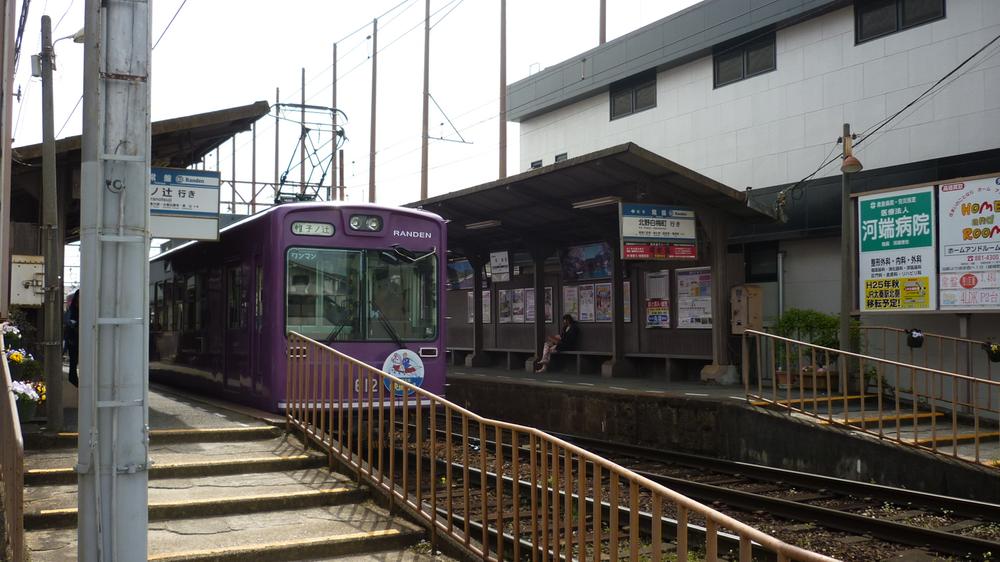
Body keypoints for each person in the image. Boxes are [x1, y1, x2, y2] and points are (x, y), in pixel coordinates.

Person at [64, 289, 80, 387]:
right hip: (73, 340)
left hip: (80, 340)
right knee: (73, 361)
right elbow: (68, 321)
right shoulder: (72, 310)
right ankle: (73, 378)